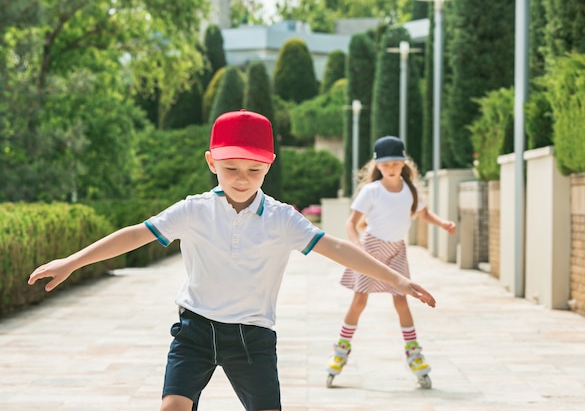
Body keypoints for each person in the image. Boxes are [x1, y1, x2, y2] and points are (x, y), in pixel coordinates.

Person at [28, 110, 437, 411]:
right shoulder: (193, 210)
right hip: (194, 330)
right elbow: (135, 234)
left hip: (252, 338)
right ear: (211, 162)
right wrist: (73, 261)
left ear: (269, 166)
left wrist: (397, 279)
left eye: (254, 170)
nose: (242, 178)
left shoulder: (281, 219)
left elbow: (337, 247)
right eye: (230, 168)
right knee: (172, 406)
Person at [325, 135, 455, 389]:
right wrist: (359, 250)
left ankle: (414, 354)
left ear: (404, 163)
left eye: (396, 163)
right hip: (371, 248)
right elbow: (351, 223)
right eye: (386, 164)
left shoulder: (411, 191)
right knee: (359, 300)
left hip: (397, 250)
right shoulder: (371, 191)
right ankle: (340, 352)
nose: (391, 168)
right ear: (377, 166)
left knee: (402, 299)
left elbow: (423, 213)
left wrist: (442, 223)